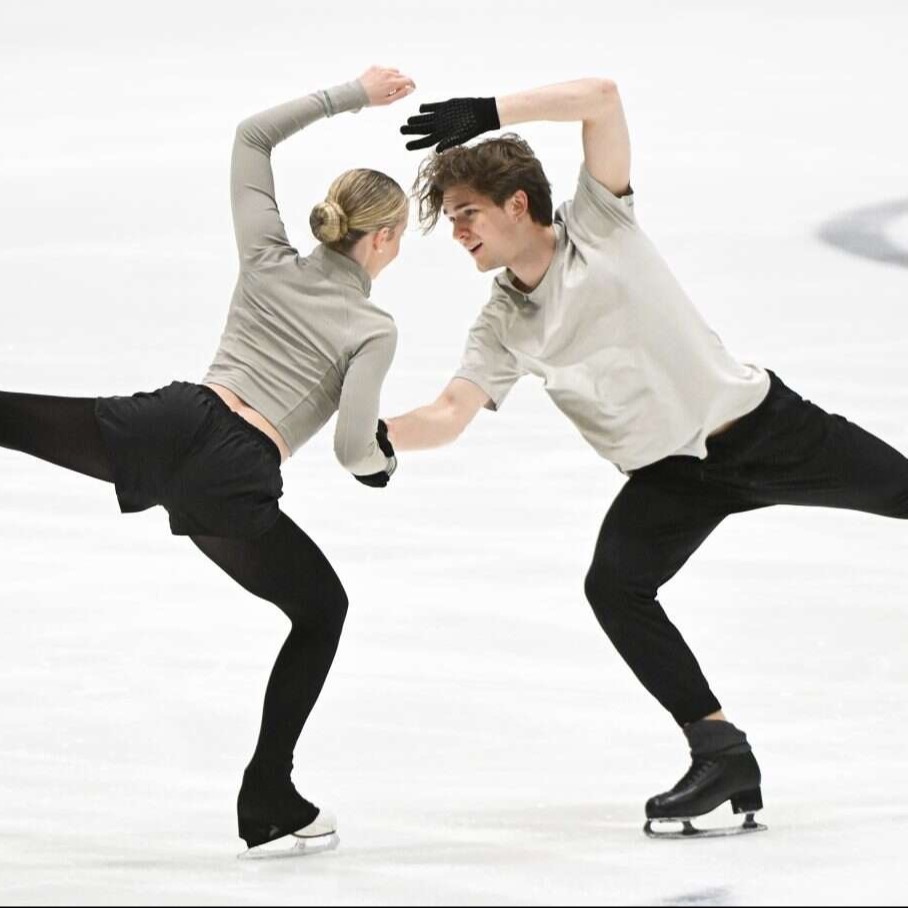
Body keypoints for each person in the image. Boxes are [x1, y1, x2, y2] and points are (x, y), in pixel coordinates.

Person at [387, 78, 908, 837]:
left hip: (763, 427)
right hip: (672, 479)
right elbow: (447, 414)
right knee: (615, 586)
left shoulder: (600, 224)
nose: (459, 232)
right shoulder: (502, 323)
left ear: (518, 207)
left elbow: (601, 97)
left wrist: (491, 114)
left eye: (467, 214)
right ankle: (720, 749)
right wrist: (371, 436)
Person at [0, 64, 415, 857]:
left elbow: (251, 135)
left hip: (178, 419)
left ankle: (270, 796)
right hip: (233, 476)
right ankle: (267, 796)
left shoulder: (269, 256)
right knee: (321, 612)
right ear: (385, 238)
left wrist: (355, 93)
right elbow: (353, 451)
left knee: (11, 416)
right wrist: (384, 465)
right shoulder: (374, 329)